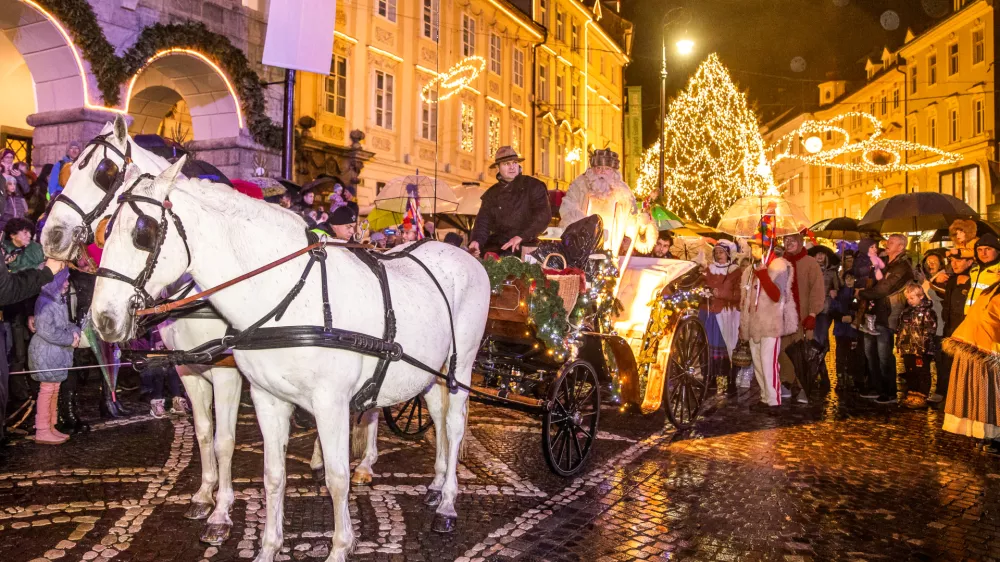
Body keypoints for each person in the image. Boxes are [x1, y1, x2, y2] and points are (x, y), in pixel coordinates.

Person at [941, 281, 1000, 455]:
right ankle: (989, 435)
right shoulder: (992, 290)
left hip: (977, 343)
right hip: (984, 347)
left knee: (983, 393)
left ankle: (985, 434)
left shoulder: (993, 289)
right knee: (987, 394)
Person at [739, 241, 798, 412]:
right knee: (757, 362)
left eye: (757, 247)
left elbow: (776, 295)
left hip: (770, 321)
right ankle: (765, 397)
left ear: (767, 248)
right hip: (753, 323)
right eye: (752, 247)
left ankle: (774, 400)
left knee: (768, 361)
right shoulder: (750, 270)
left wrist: (764, 274)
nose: (753, 250)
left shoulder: (778, 266)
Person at [858, 233, 913, 404]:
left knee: (884, 354)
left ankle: (889, 391)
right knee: (870, 352)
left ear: (901, 247)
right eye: (887, 241)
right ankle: (876, 387)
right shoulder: (883, 262)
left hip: (887, 313)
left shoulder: (902, 266)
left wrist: (862, 293)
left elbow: (884, 289)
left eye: (892, 242)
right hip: (873, 312)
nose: (887, 244)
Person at [28, 269, 81, 445]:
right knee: (47, 390)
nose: (67, 284)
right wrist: (69, 339)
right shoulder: (45, 301)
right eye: (64, 280)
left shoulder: (58, 300)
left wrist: (75, 332)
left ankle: (51, 426)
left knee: (54, 388)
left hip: (56, 353)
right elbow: (46, 330)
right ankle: (42, 429)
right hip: (47, 352)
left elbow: (65, 324)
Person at [469, 146, 551, 257]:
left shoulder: (533, 186)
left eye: (514, 163)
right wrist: (476, 241)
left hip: (527, 246)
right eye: (506, 164)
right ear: (498, 167)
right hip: (499, 248)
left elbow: (543, 216)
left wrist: (521, 237)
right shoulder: (491, 194)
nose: (512, 167)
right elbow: (482, 222)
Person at [777, 233, 825, 404]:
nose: (788, 243)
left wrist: (812, 313)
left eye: (792, 241)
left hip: (803, 316)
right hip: (784, 317)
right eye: (785, 240)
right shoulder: (780, 263)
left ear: (799, 242)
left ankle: (804, 385)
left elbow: (817, 289)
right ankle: (787, 382)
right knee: (784, 351)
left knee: (803, 353)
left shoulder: (810, 263)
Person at [702, 241, 742, 396]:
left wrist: (721, 294)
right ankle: (709, 377)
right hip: (708, 313)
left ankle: (729, 379)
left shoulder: (735, 272)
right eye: (717, 252)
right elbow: (702, 284)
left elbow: (738, 294)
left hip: (726, 314)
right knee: (708, 345)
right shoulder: (709, 270)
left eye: (722, 252)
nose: (719, 255)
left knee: (726, 344)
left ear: (728, 254)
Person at [936, 252, 972, 404]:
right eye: (952, 260)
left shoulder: (973, 280)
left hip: (965, 327)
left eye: (959, 260)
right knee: (946, 360)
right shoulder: (952, 280)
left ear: (970, 262)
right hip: (949, 326)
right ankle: (943, 391)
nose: (954, 263)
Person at [896, 282, 938, 409]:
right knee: (910, 371)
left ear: (920, 296)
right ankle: (912, 393)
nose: (909, 301)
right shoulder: (906, 312)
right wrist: (899, 344)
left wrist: (922, 347)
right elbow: (901, 329)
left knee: (922, 372)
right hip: (908, 348)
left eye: (912, 298)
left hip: (921, 350)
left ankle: (922, 394)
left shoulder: (927, 312)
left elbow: (929, 330)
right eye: (908, 298)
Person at [964, 233, 1000, 313]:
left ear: (998, 251)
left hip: (988, 319)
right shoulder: (974, 271)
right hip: (969, 316)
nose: (983, 253)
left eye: (988, 249)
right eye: (979, 250)